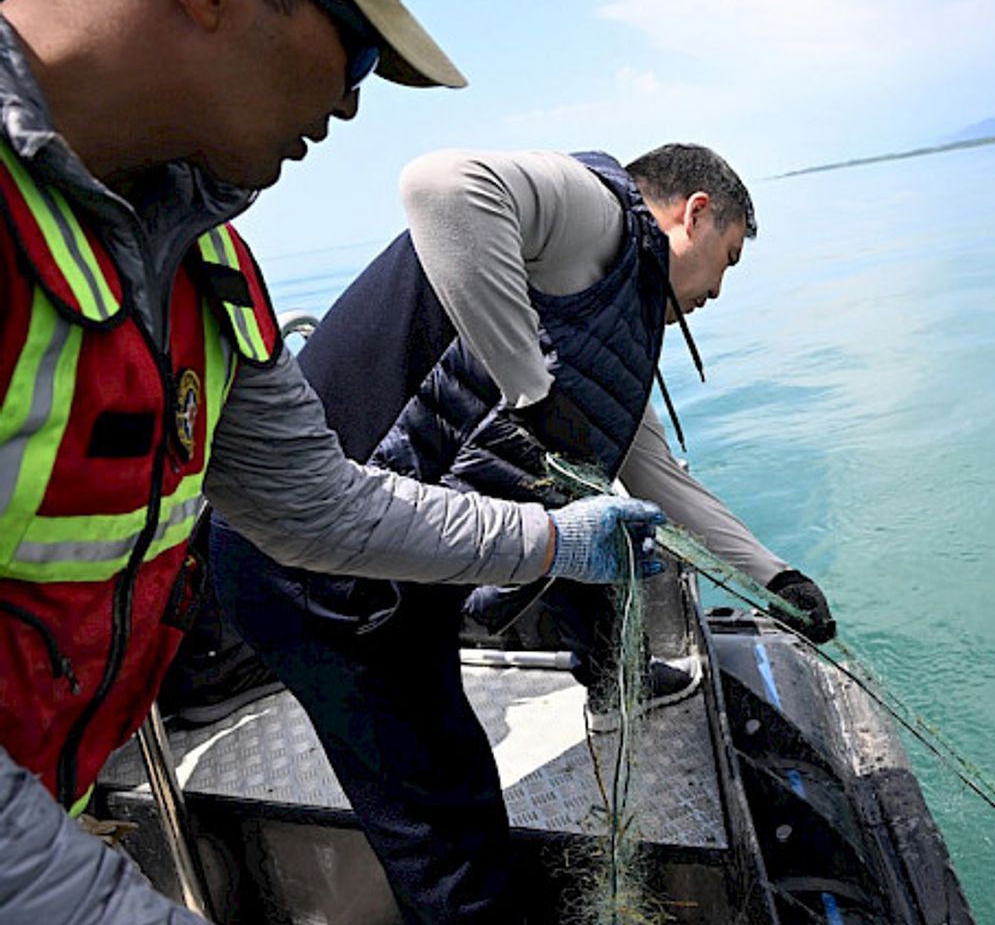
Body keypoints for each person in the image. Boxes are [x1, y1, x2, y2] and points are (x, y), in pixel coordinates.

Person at [0, 0, 662, 922]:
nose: (351, 103)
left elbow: (320, 505)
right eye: (353, 48)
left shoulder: (204, 267)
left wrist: (557, 541)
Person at [199, 143, 837, 924]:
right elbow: (438, 185)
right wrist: (530, 390)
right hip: (312, 566)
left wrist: (774, 577)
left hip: (404, 561)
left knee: (589, 517)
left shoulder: (621, 315)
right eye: (728, 260)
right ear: (694, 214)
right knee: (446, 823)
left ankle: (610, 674)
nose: (718, 289)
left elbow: (654, 475)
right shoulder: (596, 210)